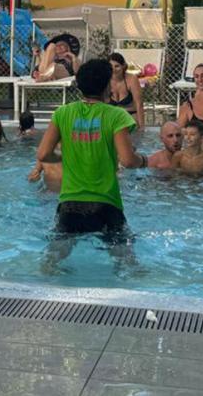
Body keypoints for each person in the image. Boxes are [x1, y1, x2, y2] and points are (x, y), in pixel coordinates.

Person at [37, 59, 142, 274]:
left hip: (70, 203)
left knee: (51, 262)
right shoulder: (117, 115)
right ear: (107, 85)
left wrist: (66, 158)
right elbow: (128, 161)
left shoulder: (62, 113)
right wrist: (144, 160)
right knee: (128, 264)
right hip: (106, 202)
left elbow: (43, 154)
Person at [106, 53, 145, 129]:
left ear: (123, 66)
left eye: (117, 66)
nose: (113, 69)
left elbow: (139, 104)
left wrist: (142, 128)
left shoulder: (131, 79)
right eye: (111, 66)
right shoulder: (106, 80)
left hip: (130, 115)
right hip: (112, 116)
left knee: (133, 123)